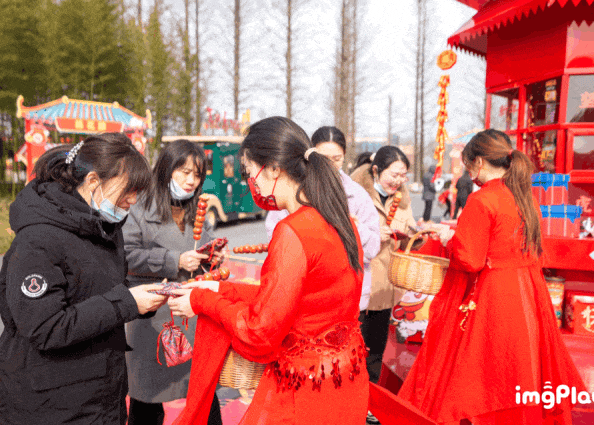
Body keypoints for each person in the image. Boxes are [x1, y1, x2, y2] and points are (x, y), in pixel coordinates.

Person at [168, 116, 369, 425]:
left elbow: (259, 332)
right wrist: (220, 289)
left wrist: (202, 301)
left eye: (251, 173)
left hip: (304, 391)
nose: (254, 184)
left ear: (274, 169)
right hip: (346, 380)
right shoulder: (343, 221)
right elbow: (301, 300)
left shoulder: (293, 232)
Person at [392, 129, 585, 424]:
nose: (470, 173)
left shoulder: (482, 199)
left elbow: (470, 259)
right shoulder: (525, 197)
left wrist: (449, 239)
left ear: (479, 162)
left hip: (493, 293)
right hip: (528, 291)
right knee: (521, 366)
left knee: (485, 371)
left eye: (469, 166)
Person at [0, 134, 169, 425]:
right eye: (129, 189)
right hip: (52, 404)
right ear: (92, 181)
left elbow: (94, 290)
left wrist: (141, 296)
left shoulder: (103, 229)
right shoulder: (37, 240)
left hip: (102, 394)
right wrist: (127, 302)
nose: (133, 200)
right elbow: (46, 327)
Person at [122, 140, 224, 425]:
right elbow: (126, 256)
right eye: (184, 172)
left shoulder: (197, 210)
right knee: (147, 401)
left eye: (197, 175)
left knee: (203, 396)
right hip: (153, 319)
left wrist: (213, 257)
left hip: (193, 317)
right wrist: (174, 260)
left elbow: (202, 252)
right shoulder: (139, 208)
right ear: (166, 169)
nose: (191, 181)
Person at [265, 126, 380, 311]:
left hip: (347, 298)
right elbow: (275, 235)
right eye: (323, 158)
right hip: (303, 294)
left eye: (337, 158)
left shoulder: (357, 195)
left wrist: (355, 228)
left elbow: (373, 248)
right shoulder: (291, 190)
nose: (330, 164)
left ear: (344, 156)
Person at [350, 146, 419, 423]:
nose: (398, 181)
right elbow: (342, 230)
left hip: (385, 286)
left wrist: (413, 234)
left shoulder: (402, 199)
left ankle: (369, 403)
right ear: (376, 170)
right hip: (359, 284)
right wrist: (369, 234)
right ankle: (350, 401)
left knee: (376, 350)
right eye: (394, 174)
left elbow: (410, 232)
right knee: (354, 349)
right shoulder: (356, 194)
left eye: (403, 175)